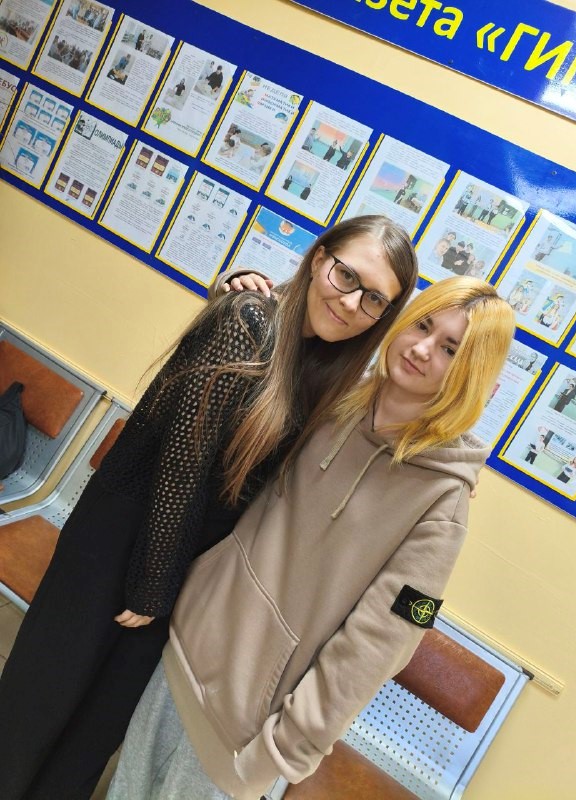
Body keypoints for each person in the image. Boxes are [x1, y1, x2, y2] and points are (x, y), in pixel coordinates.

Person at [0, 216, 417, 800]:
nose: (351, 303)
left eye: (374, 299)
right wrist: (152, 585)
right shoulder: (247, 320)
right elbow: (182, 463)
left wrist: (439, 460)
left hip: (185, 574)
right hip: (124, 544)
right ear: (319, 257)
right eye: (346, 275)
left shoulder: (324, 371)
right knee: (35, 709)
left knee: (95, 735)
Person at [108, 277, 515, 800]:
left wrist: (284, 751)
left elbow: (383, 642)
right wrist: (245, 284)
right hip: (185, 649)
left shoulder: (444, 502)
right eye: (422, 325)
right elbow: (286, 337)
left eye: (450, 349)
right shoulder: (334, 398)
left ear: (474, 373)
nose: (421, 349)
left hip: (246, 729)